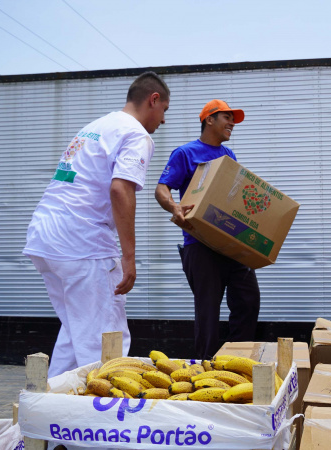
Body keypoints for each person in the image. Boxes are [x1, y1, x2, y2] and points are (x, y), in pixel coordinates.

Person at [23, 71, 170, 378]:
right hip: (82, 242)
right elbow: (120, 189)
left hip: (46, 238)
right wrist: (128, 258)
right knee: (107, 341)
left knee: (79, 332)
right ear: (153, 100)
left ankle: (49, 409)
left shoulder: (97, 126)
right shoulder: (136, 134)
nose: (163, 121)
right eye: (164, 111)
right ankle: (103, 419)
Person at [155, 99, 261, 360]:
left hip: (230, 243)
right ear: (209, 120)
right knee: (208, 312)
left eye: (233, 119)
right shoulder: (186, 153)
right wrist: (174, 207)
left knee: (248, 300)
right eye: (227, 117)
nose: (232, 123)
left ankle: (236, 361)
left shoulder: (228, 156)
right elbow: (162, 188)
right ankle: (206, 371)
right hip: (200, 245)